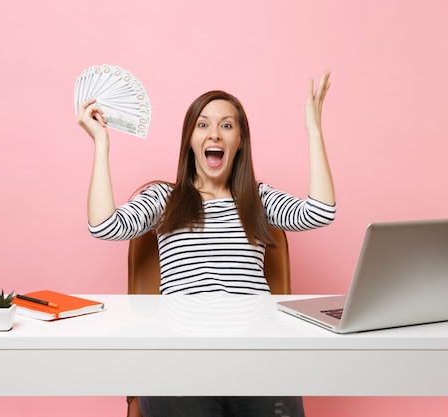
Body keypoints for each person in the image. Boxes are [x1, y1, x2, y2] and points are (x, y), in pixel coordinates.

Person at [77, 71, 336, 417]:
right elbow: (105, 226)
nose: (214, 133)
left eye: (227, 126)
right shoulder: (165, 198)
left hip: (256, 360)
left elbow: (320, 212)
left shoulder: (256, 199)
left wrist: (314, 131)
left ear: (240, 140)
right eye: (203, 125)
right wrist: (101, 144)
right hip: (181, 360)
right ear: (189, 140)